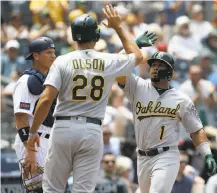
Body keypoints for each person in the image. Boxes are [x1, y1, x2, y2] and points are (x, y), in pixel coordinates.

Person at [25, 4, 155, 193]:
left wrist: (32, 133)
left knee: (52, 189)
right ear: (96, 36)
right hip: (91, 130)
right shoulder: (107, 60)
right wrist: (119, 27)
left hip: (63, 128)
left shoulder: (62, 60)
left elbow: (45, 100)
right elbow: (137, 56)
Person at [116, 51, 217, 193]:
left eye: (160, 65)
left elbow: (196, 130)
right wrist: (134, 48)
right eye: (153, 64)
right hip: (142, 157)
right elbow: (116, 65)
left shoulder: (181, 99)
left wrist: (207, 154)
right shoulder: (137, 86)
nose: (155, 68)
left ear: (170, 71)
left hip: (166, 155)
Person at [13, 37, 56, 193]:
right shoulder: (26, 81)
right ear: (36, 56)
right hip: (33, 142)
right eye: (48, 52)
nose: (53, 56)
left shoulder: (50, 79)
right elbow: (21, 118)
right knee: (35, 191)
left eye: (54, 52)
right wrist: (30, 153)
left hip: (50, 139)